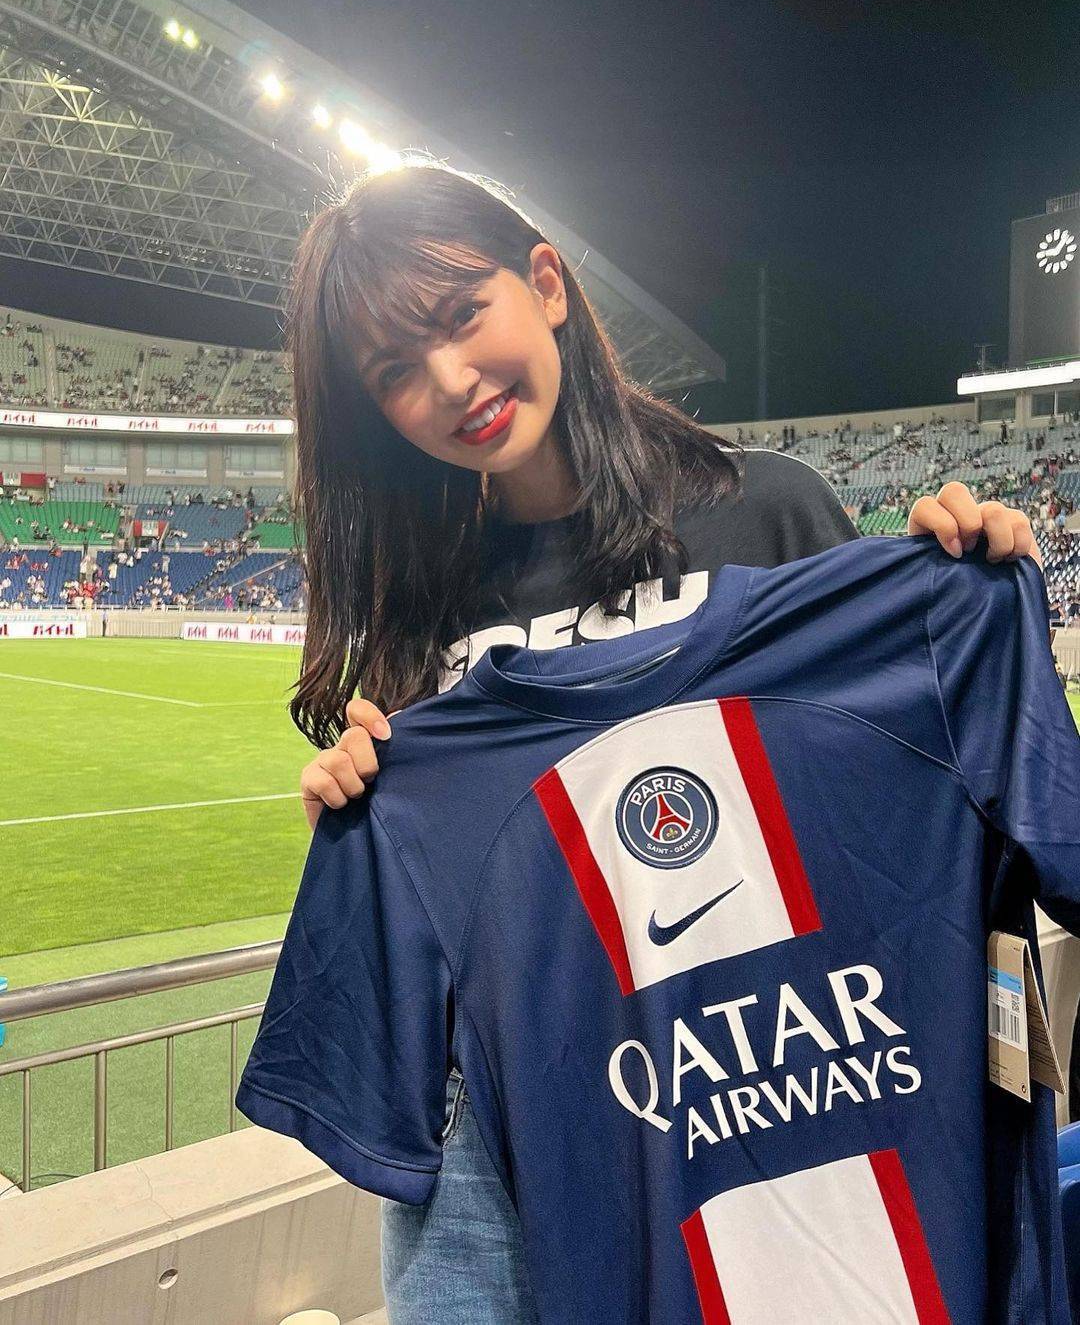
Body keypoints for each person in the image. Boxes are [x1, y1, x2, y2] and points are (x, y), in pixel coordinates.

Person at [285, 162, 1043, 1325]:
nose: (448, 380)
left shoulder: (769, 509)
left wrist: (963, 589)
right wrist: (357, 813)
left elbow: (880, 804)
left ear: (546, 284)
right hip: (537, 1132)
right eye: (393, 371)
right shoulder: (422, 606)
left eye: (462, 314)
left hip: (789, 1073)